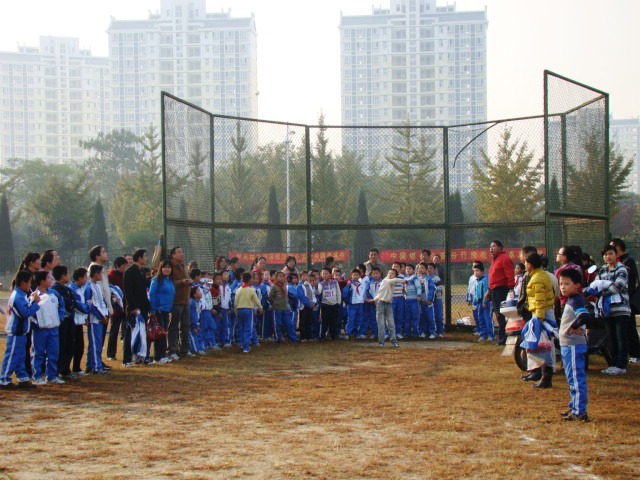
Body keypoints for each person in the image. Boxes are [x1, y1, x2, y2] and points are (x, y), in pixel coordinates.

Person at [592, 245, 631, 376]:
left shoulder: (621, 268)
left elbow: (619, 286)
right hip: (607, 309)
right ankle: (613, 364)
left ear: (616, 255)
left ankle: (621, 365)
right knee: (611, 337)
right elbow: (595, 285)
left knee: (621, 337)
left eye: (610, 254)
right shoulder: (602, 270)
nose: (608, 257)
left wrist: (602, 292)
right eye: (605, 255)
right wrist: (599, 290)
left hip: (621, 309)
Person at [557, 268, 590, 421]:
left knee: (576, 378)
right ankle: (574, 406)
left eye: (567, 284)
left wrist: (574, 326)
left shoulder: (576, 300)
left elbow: (584, 316)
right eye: (561, 284)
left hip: (574, 346)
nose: (563, 287)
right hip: (567, 345)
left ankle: (579, 412)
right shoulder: (570, 300)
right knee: (571, 378)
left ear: (577, 285)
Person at [0, 270, 40, 389]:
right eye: (29, 282)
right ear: (23, 283)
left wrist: (32, 300)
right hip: (15, 332)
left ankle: (23, 378)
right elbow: (25, 313)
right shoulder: (17, 296)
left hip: (21, 332)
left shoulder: (21, 295)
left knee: (21, 356)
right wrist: (35, 303)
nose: (30, 285)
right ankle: (4, 380)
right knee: (12, 356)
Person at [523, 253, 557, 388]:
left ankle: (546, 377)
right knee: (540, 345)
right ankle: (542, 374)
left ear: (530, 264)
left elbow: (539, 300)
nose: (525, 265)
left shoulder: (537, 278)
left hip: (541, 314)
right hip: (541, 313)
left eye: (526, 263)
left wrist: (539, 320)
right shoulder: (540, 275)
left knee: (544, 346)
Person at [30, 270, 66, 385]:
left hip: (53, 329)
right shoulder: (34, 296)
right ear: (42, 281)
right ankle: (37, 377)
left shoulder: (54, 293)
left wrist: (60, 318)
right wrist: (36, 323)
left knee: (53, 353)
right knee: (38, 353)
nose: (51, 280)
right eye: (49, 278)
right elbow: (31, 312)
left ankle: (51, 376)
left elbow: (61, 305)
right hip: (40, 330)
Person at [610, 238, 640, 364]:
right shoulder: (618, 262)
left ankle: (636, 353)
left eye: (612, 248)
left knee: (630, 328)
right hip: (619, 301)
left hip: (627, 300)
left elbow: (629, 282)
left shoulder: (627, 261)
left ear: (618, 247)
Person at [123, 249, 151, 366]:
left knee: (142, 332)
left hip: (143, 307)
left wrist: (147, 305)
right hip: (134, 308)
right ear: (139, 258)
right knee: (130, 333)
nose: (146, 258)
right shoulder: (129, 272)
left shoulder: (142, 271)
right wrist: (133, 307)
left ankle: (140, 357)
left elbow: (144, 290)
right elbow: (128, 291)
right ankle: (127, 359)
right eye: (145, 256)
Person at [485, 240, 515, 345]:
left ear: (500, 248)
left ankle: (504, 338)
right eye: (490, 247)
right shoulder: (495, 260)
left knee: (502, 314)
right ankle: (502, 337)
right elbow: (493, 278)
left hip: (501, 290)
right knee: (498, 314)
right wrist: (489, 291)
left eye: (493, 246)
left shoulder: (504, 259)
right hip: (494, 290)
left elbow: (510, 275)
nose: (491, 249)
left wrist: (511, 289)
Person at [51, 265, 78, 380]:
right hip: (62, 321)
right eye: (67, 273)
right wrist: (72, 303)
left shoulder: (66, 288)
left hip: (69, 319)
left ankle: (66, 370)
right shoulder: (56, 289)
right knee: (62, 346)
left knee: (69, 345)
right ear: (62, 276)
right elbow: (67, 303)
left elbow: (74, 301)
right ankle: (59, 371)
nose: (68, 276)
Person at [149, 259, 176, 364]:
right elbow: (152, 294)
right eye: (165, 267)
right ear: (161, 268)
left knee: (163, 332)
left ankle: (163, 354)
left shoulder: (170, 280)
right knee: (159, 333)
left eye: (169, 267)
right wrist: (153, 309)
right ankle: (158, 356)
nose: (167, 269)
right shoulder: (157, 280)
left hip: (166, 310)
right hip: (159, 310)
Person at [168, 246, 193, 360]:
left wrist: (189, 282)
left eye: (182, 252)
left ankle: (184, 350)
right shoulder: (169, 267)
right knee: (173, 327)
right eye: (179, 252)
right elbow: (168, 283)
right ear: (173, 255)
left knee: (186, 327)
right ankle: (172, 350)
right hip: (176, 301)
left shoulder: (183, 267)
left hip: (185, 300)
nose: (182, 254)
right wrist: (181, 282)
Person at [86, 264, 110, 374]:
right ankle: (96, 367)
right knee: (96, 344)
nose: (101, 275)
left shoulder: (97, 286)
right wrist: (101, 316)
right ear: (96, 274)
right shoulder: (89, 287)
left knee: (96, 344)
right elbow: (92, 305)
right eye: (100, 273)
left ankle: (90, 365)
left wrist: (105, 314)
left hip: (100, 318)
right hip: (94, 319)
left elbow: (101, 302)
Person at [373, 268, 405, 347]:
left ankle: (394, 341)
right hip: (381, 304)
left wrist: (374, 299)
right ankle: (381, 342)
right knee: (381, 324)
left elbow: (394, 281)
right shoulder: (385, 280)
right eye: (389, 273)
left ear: (395, 276)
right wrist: (404, 281)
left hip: (389, 304)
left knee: (391, 324)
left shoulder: (393, 282)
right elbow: (394, 280)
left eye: (392, 273)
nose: (390, 274)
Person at [88, 245, 113, 345]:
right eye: (103, 252)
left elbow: (106, 289)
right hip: (99, 308)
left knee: (100, 339)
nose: (106, 254)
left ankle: (98, 355)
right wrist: (106, 309)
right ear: (97, 256)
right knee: (97, 339)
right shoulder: (94, 269)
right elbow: (99, 292)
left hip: (104, 307)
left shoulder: (101, 269)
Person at [69, 268, 91, 376]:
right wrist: (88, 306)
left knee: (80, 346)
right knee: (72, 347)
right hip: (73, 321)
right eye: (85, 277)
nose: (87, 279)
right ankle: (66, 370)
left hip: (79, 321)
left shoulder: (82, 288)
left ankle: (76, 368)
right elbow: (78, 306)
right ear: (80, 278)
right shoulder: (72, 290)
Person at [234, 272, 264, 353]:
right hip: (248, 309)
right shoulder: (251, 290)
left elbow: (236, 301)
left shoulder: (238, 290)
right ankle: (245, 347)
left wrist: (235, 309)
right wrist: (260, 307)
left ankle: (242, 343)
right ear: (250, 279)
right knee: (248, 328)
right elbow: (256, 300)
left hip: (240, 309)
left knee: (241, 327)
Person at [106, 256, 128, 362]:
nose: (126, 267)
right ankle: (111, 354)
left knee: (127, 331)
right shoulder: (110, 277)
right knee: (114, 331)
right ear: (118, 266)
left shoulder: (126, 275)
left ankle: (127, 353)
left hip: (127, 307)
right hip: (116, 309)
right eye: (124, 266)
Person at [318, 267, 342, 340]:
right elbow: (318, 293)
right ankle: (322, 336)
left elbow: (338, 293)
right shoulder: (321, 284)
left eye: (326, 273)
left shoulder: (335, 282)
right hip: (325, 305)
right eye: (323, 274)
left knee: (333, 321)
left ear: (330, 274)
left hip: (334, 305)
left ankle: (333, 336)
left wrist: (338, 303)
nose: (325, 275)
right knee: (324, 321)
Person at [472, 263, 493, 343]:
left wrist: (484, 302)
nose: (475, 273)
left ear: (482, 272)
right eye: (474, 271)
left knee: (487, 318)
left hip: (485, 303)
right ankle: (483, 335)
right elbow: (475, 294)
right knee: (480, 319)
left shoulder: (485, 280)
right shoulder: (476, 281)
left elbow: (485, 292)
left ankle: (491, 335)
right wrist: (474, 303)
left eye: (477, 271)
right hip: (479, 303)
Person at [342, 269, 366, 339]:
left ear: (359, 276)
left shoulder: (362, 284)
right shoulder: (350, 284)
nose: (355, 276)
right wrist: (348, 286)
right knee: (351, 319)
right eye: (354, 275)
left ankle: (356, 333)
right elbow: (344, 293)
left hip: (360, 304)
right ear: (351, 276)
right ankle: (348, 333)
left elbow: (364, 294)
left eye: (357, 275)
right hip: (352, 305)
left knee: (359, 319)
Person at [427, 262, 444, 338]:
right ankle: (431, 331)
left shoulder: (436, 278)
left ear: (434, 270)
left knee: (438, 316)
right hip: (428, 300)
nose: (429, 269)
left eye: (431, 268)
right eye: (428, 268)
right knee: (430, 317)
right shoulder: (425, 278)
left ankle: (440, 332)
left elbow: (440, 287)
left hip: (437, 300)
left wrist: (432, 289)